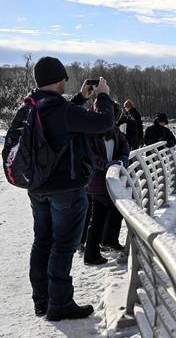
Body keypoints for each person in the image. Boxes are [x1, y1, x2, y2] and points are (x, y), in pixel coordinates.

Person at [22, 57, 114, 321]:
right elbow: (103, 123)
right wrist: (104, 97)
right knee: (62, 245)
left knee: (42, 243)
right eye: (64, 78)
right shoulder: (60, 110)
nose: (66, 82)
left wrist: (80, 99)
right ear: (57, 78)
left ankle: (42, 300)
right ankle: (60, 303)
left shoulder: (34, 104)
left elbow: (60, 123)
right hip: (65, 190)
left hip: (38, 188)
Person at [84, 101, 130, 265]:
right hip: (96, 182)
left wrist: (123, 159)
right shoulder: (89, 132)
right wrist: (106, 165)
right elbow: (89, 156)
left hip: (111, 180)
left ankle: (101, 247)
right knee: (102, 216)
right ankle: (98, 248)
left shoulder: (114, 130)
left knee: (102, 215)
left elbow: (125, 146)